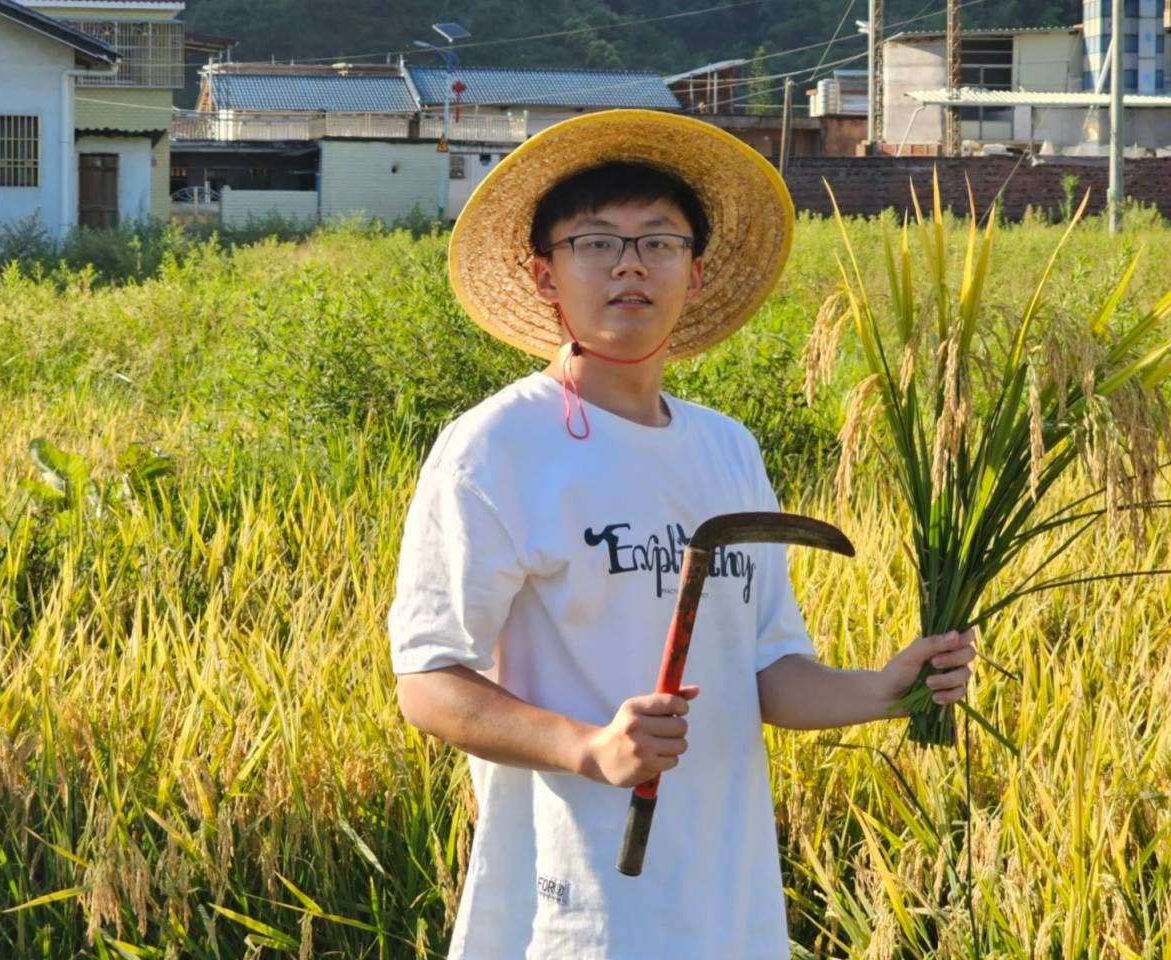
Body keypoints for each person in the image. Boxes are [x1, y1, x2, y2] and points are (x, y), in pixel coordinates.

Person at [388, 109, 976, 959]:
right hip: (577, 908)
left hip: (728, 905)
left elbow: (769, 675)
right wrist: (588, 748)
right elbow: (429, 681)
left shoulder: (727, 448)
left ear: (695, 275)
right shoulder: (495, 448)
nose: (630, 264)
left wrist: (889, 688)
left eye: (658, 243)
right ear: (545, 276)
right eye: (595, 242)